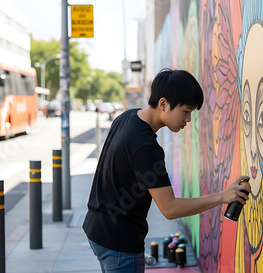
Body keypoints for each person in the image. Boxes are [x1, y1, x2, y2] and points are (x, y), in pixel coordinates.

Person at [82, 68, 251, 272]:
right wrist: (222, 197)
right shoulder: (146, 147)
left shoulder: (127, 118)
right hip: (119, 243)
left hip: (98, 229)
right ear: (163, 104)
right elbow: (170, 209)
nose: (188, 120)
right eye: (186, 111)